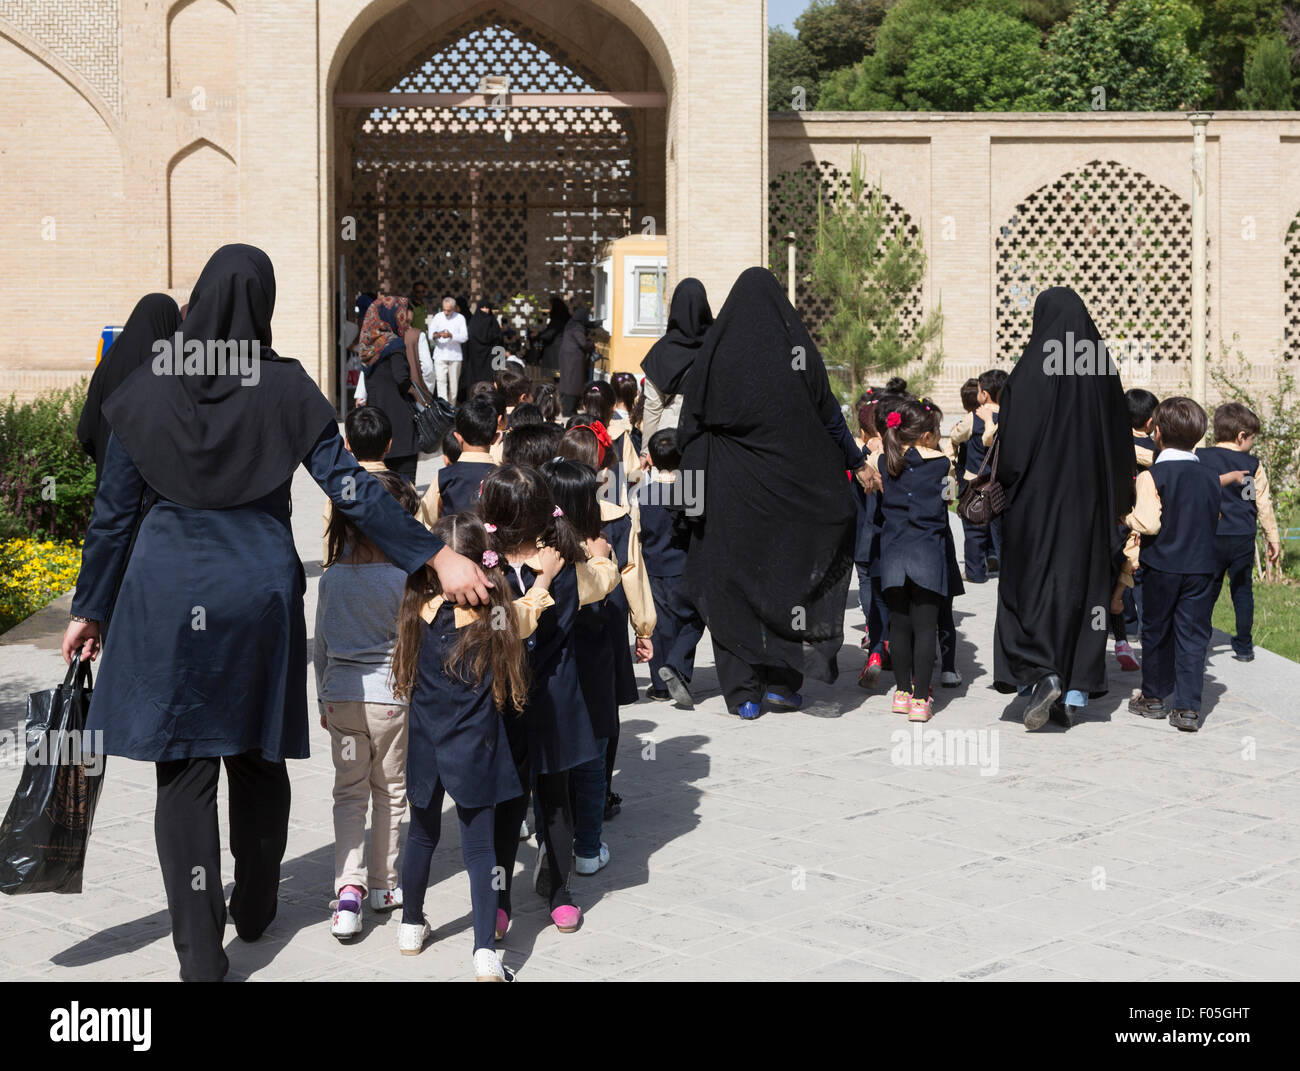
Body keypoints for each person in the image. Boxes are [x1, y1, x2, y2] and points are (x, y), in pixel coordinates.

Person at [61, 244, 492, 982]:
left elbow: (112, 517)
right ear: (261, 306)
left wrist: (90, 608)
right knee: (255, 753)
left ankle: (200, 952)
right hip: (254, 591)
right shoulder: (285, 387)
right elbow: (352, 490)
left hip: (167, 593)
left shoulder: (143, 389)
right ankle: (255, 904)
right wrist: (433, 555)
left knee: (184, 770)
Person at [676, 267, 876, 720]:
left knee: (730, 583)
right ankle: (784, 683)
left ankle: (744, 691)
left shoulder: (717, 351)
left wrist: (688, 493)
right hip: (792, 489)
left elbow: (691, 425)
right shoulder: (797, 350)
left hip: (729, 492)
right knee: (788, 579)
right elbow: (828, 415)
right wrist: (856, 461)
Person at [390, 512, 559, 980]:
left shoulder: (414, 608)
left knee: (421, 836)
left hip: (425, 746)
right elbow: (526, 616)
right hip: (476, 750)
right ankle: (485, 952)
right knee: (480, 852)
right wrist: (542, 579)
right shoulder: (495, 616)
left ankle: (409, 925)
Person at [481, 466, 619, 938]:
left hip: (556, 700)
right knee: (507, 803)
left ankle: (560, 891)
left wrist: (598, 558)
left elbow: (604, 577)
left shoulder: (563, 562)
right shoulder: (486, 569)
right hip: (506, 703)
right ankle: (498, 900)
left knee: (555, 801)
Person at [993, 287, 1135, 731]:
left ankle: (1042, 671)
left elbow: (1013, 451)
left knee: (1031, 585)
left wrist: (1006, 486)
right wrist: (1119, 501)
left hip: (1036, 505)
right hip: (1091, 507)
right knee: (1086, 591)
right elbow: (1120, 441)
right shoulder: (1102, 370)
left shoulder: (1031, 368)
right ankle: (1074, 692)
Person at [316, 466, 421, 940]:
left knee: (348, 793)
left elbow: (319, 647)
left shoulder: (330, 579)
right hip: (390, 701)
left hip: (341, 698)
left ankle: (348, 892)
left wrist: (322, 695)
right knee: (391, 791)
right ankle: (383, 885)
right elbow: (412, 645)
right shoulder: (403, 579)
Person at [1121, 398, 1222, 732]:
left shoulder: (1153, 475)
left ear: (1158, 432)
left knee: (1156, 631)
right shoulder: (1210, 476)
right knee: (1193, 636)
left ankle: (1153, 698)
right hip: (1202, 566)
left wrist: (1124, 516)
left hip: (1162, 566)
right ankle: (1188, 708)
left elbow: (1148, 524)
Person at [877, 397, 959, 723]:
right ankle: (921, 699)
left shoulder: (885, 460)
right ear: (926, 435)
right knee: (926, 628)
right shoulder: (942, 463)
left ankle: (900, 693)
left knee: (899, 624)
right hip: (928, 551)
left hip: (893, 552)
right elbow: (951, 498)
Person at [1196, 401, 1282, 662]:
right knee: (1242, 590)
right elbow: (1262, 503)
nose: (1252, 444)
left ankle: (1198, 642)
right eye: (1252, 439)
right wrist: (1272, 537)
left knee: (1205, 589)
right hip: (1242, 536)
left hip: (1210, 534)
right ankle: (1244, 646)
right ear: (1241, 436)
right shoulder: (1252, 464)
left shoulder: (1201, 457)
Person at [78, 294, 183, 486]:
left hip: (109, 485)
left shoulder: (108, 364)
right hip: (153, 490)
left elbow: (86, 430)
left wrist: (105, 456)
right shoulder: (165, 369)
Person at [640, 429, 705, 707]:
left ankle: (659, 685)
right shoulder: (690, 492)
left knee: (661, 624)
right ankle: (677, 666)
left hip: (654, 567)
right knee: (694, 618)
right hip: (684, 566)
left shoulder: (643, 494)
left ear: (651, 459)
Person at [357, 295, 428, 483]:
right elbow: (401, 378)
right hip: (400, 423)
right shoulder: (394, 344)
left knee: (383, 482)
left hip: (377, 420)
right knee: (404, 487)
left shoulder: (367, 345)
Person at [640, 278, 713, 452]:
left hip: (670, 441)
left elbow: (653, 408)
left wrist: (646, 451)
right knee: (700, 480)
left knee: (677, 480)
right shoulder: (717, 343)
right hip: (708, 437)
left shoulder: (662, 351)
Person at [417, 395, 499, 525]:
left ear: (457, 437)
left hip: (454, 541)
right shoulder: (503, 476)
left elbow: (429, 514)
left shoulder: (445, 476)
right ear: (495, 438)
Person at [958, 370, 1005, 582]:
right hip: (1001, 482)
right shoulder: (1011, 415)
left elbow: (958, 435)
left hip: (976, 482)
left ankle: (975, 572)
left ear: (984, 394)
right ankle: (1006, 572)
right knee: (1000, 530)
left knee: (974, 527)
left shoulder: (973, 417)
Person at [427, 295, 469, 403]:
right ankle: (443, 407)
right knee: (441, 382)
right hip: (440, 354)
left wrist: (451, 335)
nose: (446, 312)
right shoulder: (437, 317)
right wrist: (437, 335)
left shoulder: (460, 318)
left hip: (455, 356)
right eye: (444, 309)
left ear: (454, 308)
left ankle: (452, 407)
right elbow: (430, 335)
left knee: (454, 384)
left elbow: (465, 337)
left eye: (449, 310)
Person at [558, 308, 596, 416]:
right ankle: (569, 411)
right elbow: (583, 343)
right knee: (573, 384)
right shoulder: (577, 327)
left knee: (569, 383)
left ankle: (570, 410)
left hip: (569, 358)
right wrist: (592, 344)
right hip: (573, 359)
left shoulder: (572, 324)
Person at [463, 299, 504, 397]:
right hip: (476, 358)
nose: (485, 310)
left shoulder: (492, 322)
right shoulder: (474, 322)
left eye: (487, 308)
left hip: (490, 357)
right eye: (483, 308)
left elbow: (499, 339)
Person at [537, 295, 570, 378]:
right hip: (560, 352)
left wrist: (538, 335)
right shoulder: (564, 318)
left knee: (556, 378)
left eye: (550, 306)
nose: (549, 309)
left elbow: (549, 334)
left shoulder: (557, 320)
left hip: (555, 354)